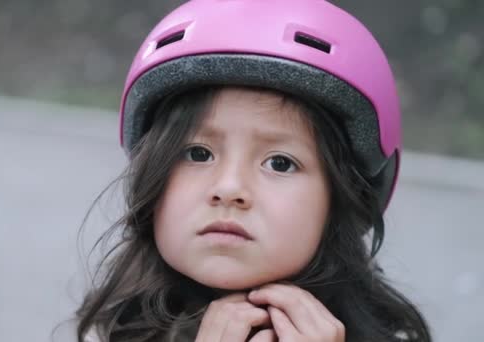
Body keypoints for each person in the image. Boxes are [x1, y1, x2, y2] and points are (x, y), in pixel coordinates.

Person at [75, 0, 431, 341]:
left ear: (342, 198)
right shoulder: (114, 329)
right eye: (198, 153)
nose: (229, 188)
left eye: (280, 163)